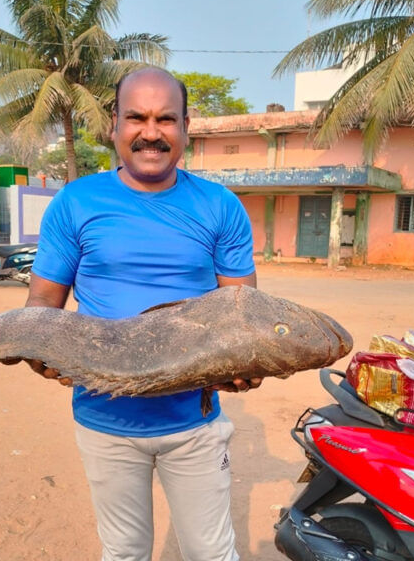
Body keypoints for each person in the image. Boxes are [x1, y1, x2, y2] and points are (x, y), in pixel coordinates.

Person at [26, 67, 260, 561]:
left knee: (212, 555)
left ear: (185, 126)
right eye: (136, 117)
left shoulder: (220, 206)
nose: (150, 133)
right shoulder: (76, 201)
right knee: (125, 553)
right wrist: (38, 350)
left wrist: (248, 364)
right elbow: (44, 305)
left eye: (165, 119)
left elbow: (242, 315)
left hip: (192, 424)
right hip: (103, 418)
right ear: (114, 123)